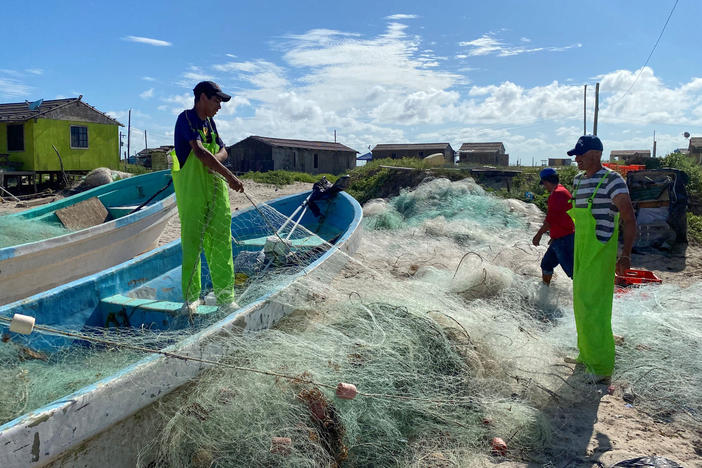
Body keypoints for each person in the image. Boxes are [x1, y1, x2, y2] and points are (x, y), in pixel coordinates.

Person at [566, 135, 636, 380]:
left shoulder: (612, 181)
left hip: (600, 251)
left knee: (596, 307)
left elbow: (629, 219)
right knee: (581, 305)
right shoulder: (576, 181)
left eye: (580, 155)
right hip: (581, 251)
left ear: (595, 154)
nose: (577, 160)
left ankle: (602, 366)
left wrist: (625, 255)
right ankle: (586, 355)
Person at [172, 81, 244, 308]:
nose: (219, 107)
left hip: (216, 194)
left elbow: (223, 150)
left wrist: (214, 162)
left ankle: (225, 298)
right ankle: (191, 299)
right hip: (193, 194)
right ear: (202, 97)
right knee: (193, 244)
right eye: (217, 101)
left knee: (221, 243)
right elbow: (200, 153)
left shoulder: (210, 124)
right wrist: (229, 176)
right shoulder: (186, 119)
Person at [532, 167, 575, 285]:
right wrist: (554, 235)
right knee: (546, 264)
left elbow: (550, 220)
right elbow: (560, 217)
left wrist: (538, 235)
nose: (544, 187)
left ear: (546, 181)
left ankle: (586, 298)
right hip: (560, 238)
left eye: (544, 184)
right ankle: (545, 290)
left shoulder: (557, 194)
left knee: (574, 272)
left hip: (564, 239)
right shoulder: (561, 191)